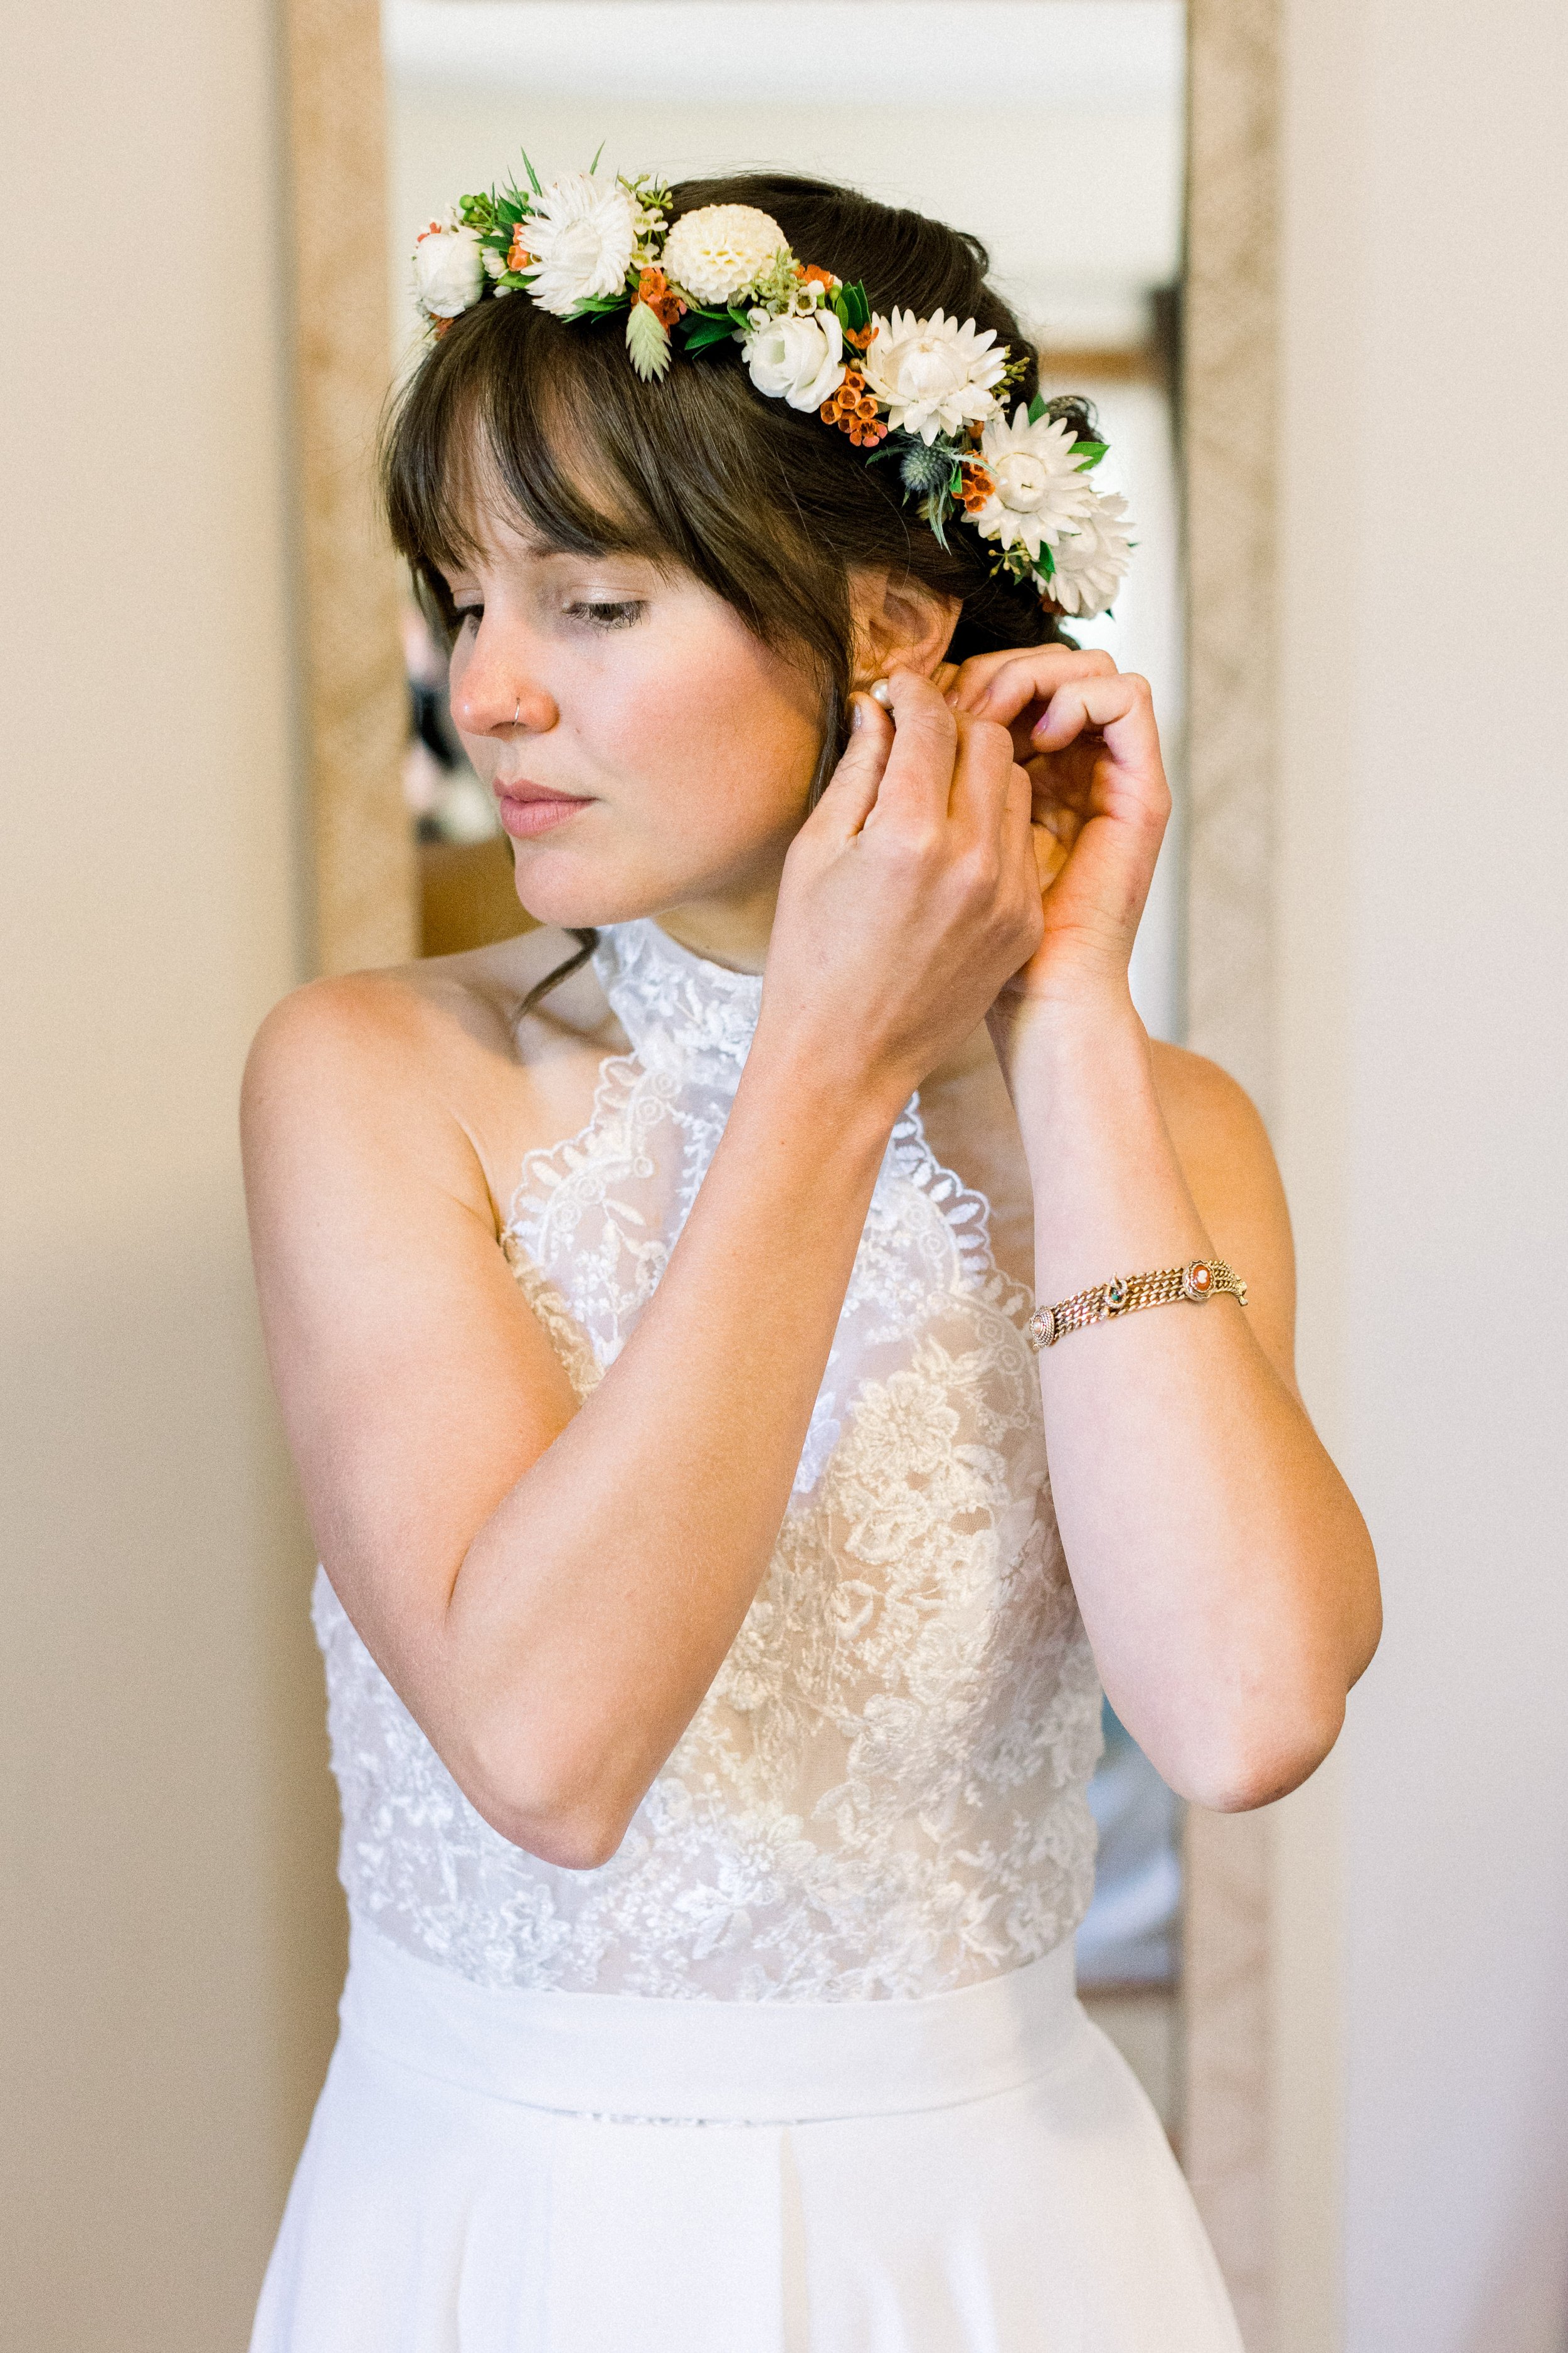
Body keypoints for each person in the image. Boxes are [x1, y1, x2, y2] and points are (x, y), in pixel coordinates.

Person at [243, 167, 1379, 2352]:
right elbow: (550, 1756)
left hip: (999, 2237)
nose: (485, 696)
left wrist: (1053, 1025)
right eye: (459, 601)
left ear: (883, 622)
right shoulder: (376, 1079)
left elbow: (1242, 1714)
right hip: (510, 2222)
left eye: (586, 604)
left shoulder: (1158, 1124)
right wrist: (830, 1062)